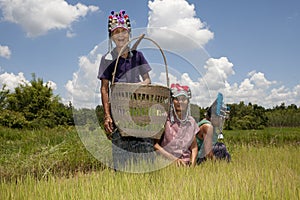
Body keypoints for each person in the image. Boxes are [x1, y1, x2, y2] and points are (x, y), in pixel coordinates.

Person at [97, 10, 153, 170]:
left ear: (129, 34)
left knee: (144, 147)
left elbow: (147, 80)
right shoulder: (107, 59)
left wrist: (138, 86)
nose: (120, 35)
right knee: (121, 150)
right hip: (118, 108)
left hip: (138, 107)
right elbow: (104, 89)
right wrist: (107, 115)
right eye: (116, 32)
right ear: (111, 37)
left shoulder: (138, 56)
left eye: (123, 31)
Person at [154, 83, 199, 167]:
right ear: (172, 101)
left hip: (186, 164)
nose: (180, 102)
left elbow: (194, 148)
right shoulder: (164, 119)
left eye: (183, 99)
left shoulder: (191, 122)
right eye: (177, 99)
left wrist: (192, 166)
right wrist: (174, 159)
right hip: (166, 162)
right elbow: (156, 145)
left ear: (188, 102)